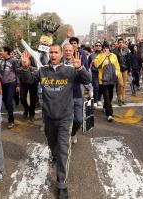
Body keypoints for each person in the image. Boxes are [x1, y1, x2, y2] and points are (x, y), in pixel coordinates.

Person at [21, 44, 91, 199]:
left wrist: (80, 69)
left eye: (55, 52)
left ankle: (61, 184)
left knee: (63, 151)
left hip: (66, 116)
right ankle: (54, 154)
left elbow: (87, 79)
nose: (53, 55)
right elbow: (28, 80)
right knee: (53, 145)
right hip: (48, 117)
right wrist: (25, 68)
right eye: (51, 52)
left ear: (61, 54)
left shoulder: (70, 71)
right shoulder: (42, 70)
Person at [94, 44, 121, 122]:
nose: (106, 50)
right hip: (103, 80)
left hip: (112, 79)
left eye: (107, 48)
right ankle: (109, 114)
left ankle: (105, 106)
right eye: (105, 49)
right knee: (106, 96)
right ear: (102, 50)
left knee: (110, 95)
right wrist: (104, 57)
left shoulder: (114, 56)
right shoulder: (99, 56)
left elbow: (117, 66)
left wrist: (117, 74)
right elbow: (97, 66)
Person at [0, 47, 19, 129]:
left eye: (1, 51)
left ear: (6, 52)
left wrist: (18, 84)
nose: (0, 52)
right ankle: (9, 109)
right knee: (4, 100)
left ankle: (11, 121)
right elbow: (0, 71)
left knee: (9, 101)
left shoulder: (13, 60)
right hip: (4, 83)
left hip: (11, 82)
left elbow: (17, 72)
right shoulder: (1, 61)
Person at [18, 54, 38, 121]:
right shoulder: (22, 58)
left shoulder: (33, 57)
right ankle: (26, 109)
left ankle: (32, 114)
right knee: (22, 98)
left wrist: (28, 67)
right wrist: (23, 67)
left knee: (33, 100)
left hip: (33, 83)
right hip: (24, 83)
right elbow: (18, 69)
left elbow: (37, 68)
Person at [112, 38, 131, 106]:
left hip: (125, 69)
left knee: (124, 85)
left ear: (123, 43)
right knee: (120, 84)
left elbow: (129, 60)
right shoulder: (114, 51)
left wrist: (129, 70)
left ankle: (122, 99)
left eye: (122, 42)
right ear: (117, 43)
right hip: (118, 70)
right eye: (119, 42)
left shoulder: (126, 50)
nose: (121, 44)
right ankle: (119, 99)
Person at [88, 41, 103, 108]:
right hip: (94, 73)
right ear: (94, 47)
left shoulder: (104, 55)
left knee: (101, 87)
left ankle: (99, 99)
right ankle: (95, 101)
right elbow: (88, 65)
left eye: (99, 45)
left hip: (102, 73)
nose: (98, 46)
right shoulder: (91, 55)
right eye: (97, 45)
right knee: (96, 87)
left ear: (101, 47)